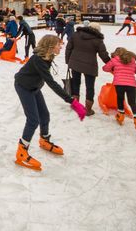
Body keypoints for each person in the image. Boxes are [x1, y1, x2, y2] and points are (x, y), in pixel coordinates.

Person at [13, 35, 87, 170]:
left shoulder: (47, 57)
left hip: (34, 87)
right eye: (59, 45)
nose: (61, 47)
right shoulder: (38, 59)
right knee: (33, 120)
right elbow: (51, 83)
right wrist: (72, 101)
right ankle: (21, 152)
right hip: (24, 87)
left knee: (45, 115)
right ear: (51, 46)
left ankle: (44, 140)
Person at [65, 22, 111, 116]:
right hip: (90, 66)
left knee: (75, 83)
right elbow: (104, 55)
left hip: (75, 63)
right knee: (90, 86)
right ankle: (88, 109)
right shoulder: (98, 40)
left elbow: (68, 48)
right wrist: (112, 65)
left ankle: (75, 105)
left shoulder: (75, 35)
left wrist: (68, 61)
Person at [103, 47, 136, 132]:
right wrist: (131, 69)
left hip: (119, 84)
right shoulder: (132, 61)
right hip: (131, 85)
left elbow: (105, 68)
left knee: (120, 99)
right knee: (132, 103)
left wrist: (113, 68)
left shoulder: (114, 60)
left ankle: (120, 116)